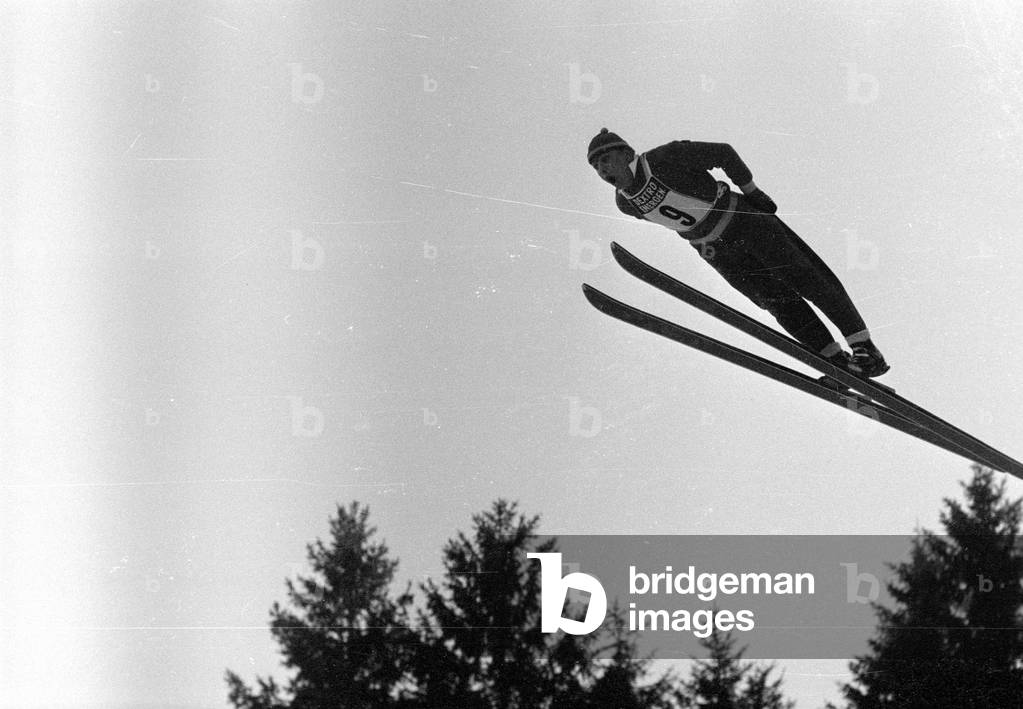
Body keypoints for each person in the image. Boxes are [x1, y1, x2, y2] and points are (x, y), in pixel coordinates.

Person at [586, 128, 889, 377]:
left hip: (743, 222)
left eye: (606, 159)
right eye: (597, 166)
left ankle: (863, 346)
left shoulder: (662, 158)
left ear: (627, 154)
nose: (603, 169)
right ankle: (834, 361)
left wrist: (752, 191)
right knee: (775, 301)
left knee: (805, 277)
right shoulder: (625, 203)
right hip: (716, 251)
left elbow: (723, 153)